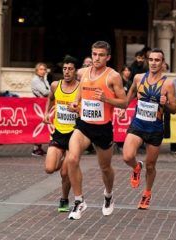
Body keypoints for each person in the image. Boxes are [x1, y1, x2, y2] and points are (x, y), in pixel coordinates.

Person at [67, 40, 127, 220]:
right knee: (72, 158)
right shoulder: (83, 72)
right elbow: (81, 90)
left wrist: (106, 99)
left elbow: (124, 102)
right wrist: (76, 102)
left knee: (105, 168)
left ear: (108, 57)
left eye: (101, 55)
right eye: (94, 54)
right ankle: (79, 201)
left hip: (103, 129)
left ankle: (108, 196)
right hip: (84, 125)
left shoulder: (113, 76)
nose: (97, 58)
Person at [120, 48, 176, 210]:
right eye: (151, 59)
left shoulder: (168, 83)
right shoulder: (138, 78)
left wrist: (166, 103)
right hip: (138, 124)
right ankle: (136, 167)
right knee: (126, 156)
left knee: (151, 165)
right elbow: (129, 96)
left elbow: (174, 109)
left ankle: (147, 193)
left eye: (157, 60)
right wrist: (123, 108)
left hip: (155, 129)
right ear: (147, 61)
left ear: (162, 63)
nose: (153, 63)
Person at [43, 56, 80, 212]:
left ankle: (64, 199)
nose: (67, 72)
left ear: (75, 71)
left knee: (65, 172)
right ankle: (63, 159)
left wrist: (77, 110)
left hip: (75, 135)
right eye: (65, 69)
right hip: (58, 133)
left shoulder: (81, 88)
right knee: (50, 168)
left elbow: (87, 109)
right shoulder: (55, 85)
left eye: (70, 69)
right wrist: (46, 113)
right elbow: (50, 98)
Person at [31, 62, 50, 156]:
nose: (43, 71)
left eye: (44, 69)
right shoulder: (35, 80)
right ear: (37, 70)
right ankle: (35, 149)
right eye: (41, 69)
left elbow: (48, 90)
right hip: (38, 105)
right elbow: (45, 92)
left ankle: (39, 147)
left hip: (44, 104)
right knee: (38, 125)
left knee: (43, 125)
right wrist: (52, 91)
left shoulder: (44, 80)